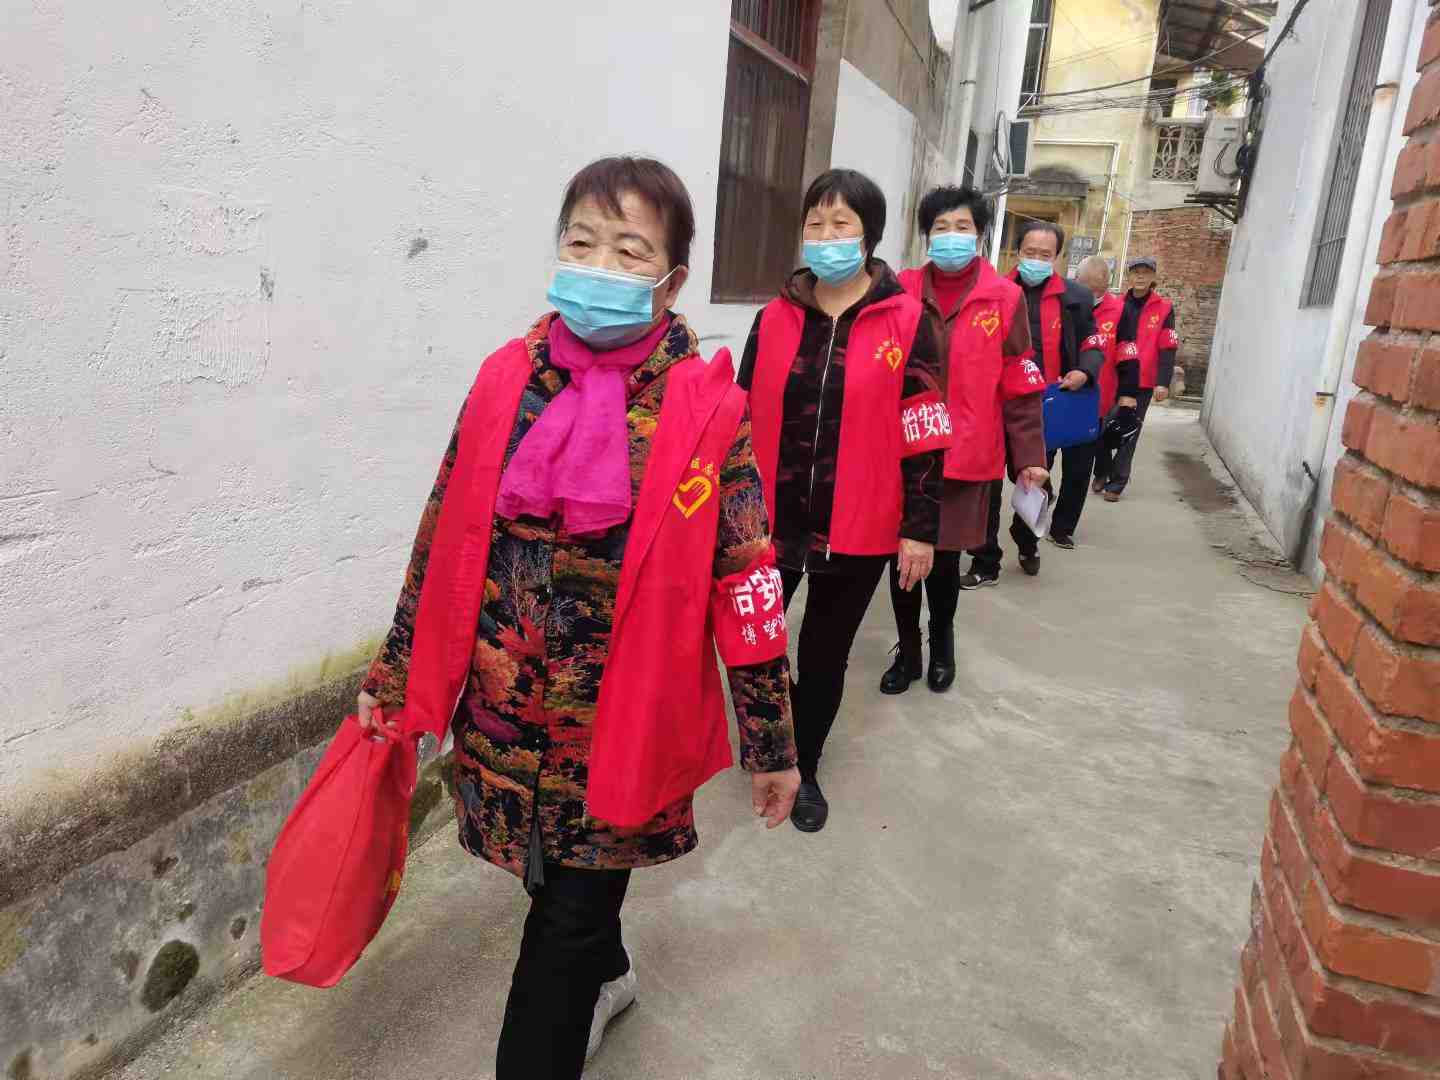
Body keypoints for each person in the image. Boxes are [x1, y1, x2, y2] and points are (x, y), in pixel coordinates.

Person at [357, 157, 800, 1080]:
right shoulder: (504, 381)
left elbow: (746, 578)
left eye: (629, 251)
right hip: (508, 713)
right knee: (553, 890)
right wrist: (394, 676)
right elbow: (442, 534)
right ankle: (610, 969)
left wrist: (772, 744)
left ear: (671, 281)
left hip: (623, 726)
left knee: (559, 931)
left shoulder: (708, 410)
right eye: (581, 243)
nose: (599, 266)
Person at [738, 168, 950, 828]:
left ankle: (804, 765)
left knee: (824, 655)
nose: (826, 236)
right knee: (754, 646)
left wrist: (920, 527)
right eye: (816, 224)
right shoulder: (772, 319)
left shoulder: (909, 321)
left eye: (842, 224)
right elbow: (736, 417)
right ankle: (771, 746)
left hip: (858, 525)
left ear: (869, 236)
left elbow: (925, 430)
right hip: (768, 523)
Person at [880, 185, 1046, 695]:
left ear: (979, 235)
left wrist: (1029, 455)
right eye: (941, 227)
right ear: (926, 235)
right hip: (906, 449)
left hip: (967, 451)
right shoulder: (900, 289)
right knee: (902, 557)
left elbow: (1019, 378)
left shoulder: (1004, 297)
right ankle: (908, 651)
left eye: (963, 227)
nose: (951, 236)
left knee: (946, 559)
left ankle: (942, 643)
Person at [995, 221, 1104, 557]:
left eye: (1045, 254)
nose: (1037, 259)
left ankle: (1026, 541)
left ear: (1057, 257)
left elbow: (1093, 342)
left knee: (1036, 476)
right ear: (1017, 252)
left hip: (1050, 402)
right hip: (1001, 400)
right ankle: (986, 557)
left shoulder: (1076, 297)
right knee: (994, 477)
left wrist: (1084, 370)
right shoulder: (996, 292)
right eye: (1030, 252)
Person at [1095, 255, 1179, 502]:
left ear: (1153, 277)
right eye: (1135, 272)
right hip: (1113, 377)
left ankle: (1117, 483)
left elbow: (1168, 346)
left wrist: (1163, 381)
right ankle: (1102, 470)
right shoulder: (1116, 304)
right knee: (1100, 428)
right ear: (1128, 276)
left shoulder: (1164, 308)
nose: (1140, 276)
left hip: (1142, 382)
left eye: (1146, 272)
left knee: (1128, 433)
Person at [1078, 256, 1126, 496]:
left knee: (1100, 437)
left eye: (1098, 290)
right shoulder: (1069, 303)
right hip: (1072, 385)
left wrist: (1127, 391)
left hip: (1105, 387)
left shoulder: (1119, 311)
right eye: (1088, 289)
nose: (1093, 295)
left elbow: (1127, 351)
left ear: (1107, 284)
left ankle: (1102, 472)